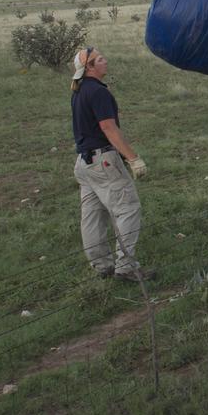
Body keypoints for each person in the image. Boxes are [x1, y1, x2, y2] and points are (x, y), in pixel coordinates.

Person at [70, 47, 154, 282]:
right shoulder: (98, 92)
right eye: (100, 59)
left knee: (92, 215)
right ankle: (126, 267)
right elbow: (109, 128)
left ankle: (101, 266)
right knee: (127, 208)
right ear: (89, 67)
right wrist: (133, 158)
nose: (106, 61)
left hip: (84, 163)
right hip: (102, 161)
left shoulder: (79, 90)